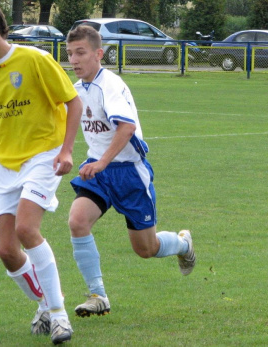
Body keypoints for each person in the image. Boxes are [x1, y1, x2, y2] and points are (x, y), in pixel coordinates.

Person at [0, 0, 82, 344]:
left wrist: (67, 149)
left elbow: (73, 102)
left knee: (27, 228)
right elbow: (2, 119)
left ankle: (59, 315)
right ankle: (44, 303)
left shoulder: (35, 59)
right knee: (6, 251)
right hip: (4, 163)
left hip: (44, 155)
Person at [64, 25, 196, 318]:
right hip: (99, 173)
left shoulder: (109, 85)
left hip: (131, 174)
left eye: (80, 53)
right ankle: (98, 295)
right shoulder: (76, 91)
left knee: (146, 249)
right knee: (77, 221)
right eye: (70, 53)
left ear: (99, 54)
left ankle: (183, 243)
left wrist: (102, 162)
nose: (74, 60)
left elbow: (127, 127)